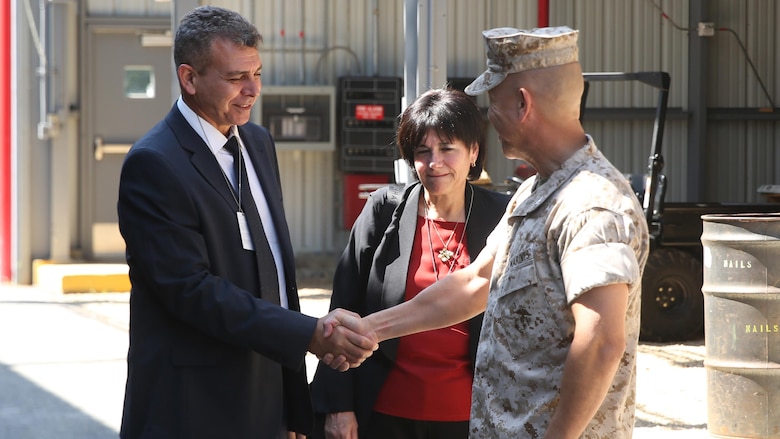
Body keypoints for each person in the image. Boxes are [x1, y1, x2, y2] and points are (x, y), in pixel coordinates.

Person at [325, 26, 650, 438]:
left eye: (492, 103)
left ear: (521, 103)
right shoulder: (537, 190)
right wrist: (372, 329)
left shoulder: (592, 205)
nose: (489, 118)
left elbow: (601, 343)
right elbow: (475, 282)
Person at [117, 6, 376, 438]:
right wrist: (308, 334)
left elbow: (273, 272)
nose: (253, 89)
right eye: (236, 78)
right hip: (192, 407)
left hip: (266, 399)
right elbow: (190, 290)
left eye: (257, 73)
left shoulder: (256, 142)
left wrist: (293, 408)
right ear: (189, 78)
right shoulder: (154, 165)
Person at [310, 88, 511, 439]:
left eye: (448, 148)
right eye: (423, 151)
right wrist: (338, 406)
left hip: (472, 418)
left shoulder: (503, 217)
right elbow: (344, 306)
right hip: (383, 414)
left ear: (473, 152)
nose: (434, 163)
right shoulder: (383, 210)